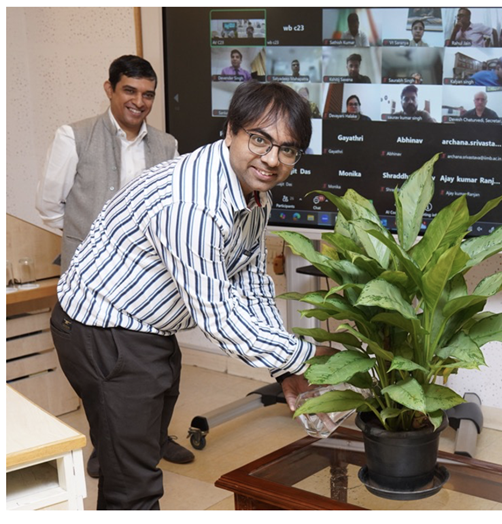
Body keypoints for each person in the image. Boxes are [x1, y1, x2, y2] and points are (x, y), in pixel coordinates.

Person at [53, 81, 319, 509]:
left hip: (149, 325)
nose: (272, 159)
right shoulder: (192, 201)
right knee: (134, 485)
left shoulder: (253, 192)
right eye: (260, 139)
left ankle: (127, 449)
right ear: (230, 130)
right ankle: (125, 466)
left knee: (147, 430)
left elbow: (250, 283)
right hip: (101, 327)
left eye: (287, 150)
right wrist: (307, 357)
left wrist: (283, 369)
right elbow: (219, 315)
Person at [37, 55, 188, 477]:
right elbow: (51, 206)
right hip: (92, 285)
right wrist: (92, 247)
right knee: (101, 375)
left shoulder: (168, 146)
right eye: (129, 90)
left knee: (164, 368)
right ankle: (107, 448)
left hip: (148, 282)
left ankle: (156, 437)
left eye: (147, 94)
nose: (138, 102)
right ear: (110, 88)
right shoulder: (75, 136)